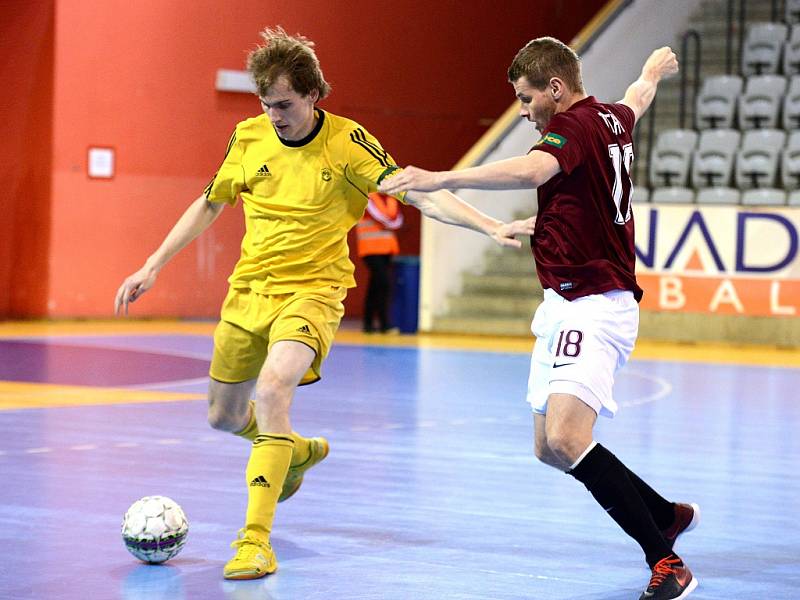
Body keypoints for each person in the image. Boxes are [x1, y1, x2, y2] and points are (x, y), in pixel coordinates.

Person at [114, 27, 535, 581]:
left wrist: (489, 224)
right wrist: (152, 264)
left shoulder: (348, 144)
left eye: (284, 105)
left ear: (314, 95)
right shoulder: (247, 137)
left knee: (272, 388)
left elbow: (420, 192)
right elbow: (209, 203)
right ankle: (295, 450)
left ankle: (254, 543)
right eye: (266, 105)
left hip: (313, 291)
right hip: (249, 291)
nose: (274, 116)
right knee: (222, 417)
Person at [380, 38, 698, 600]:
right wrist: (651, 69)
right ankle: (662, 514)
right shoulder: (612, 117)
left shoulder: (572, 127)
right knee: (548, 448)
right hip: (562, 304)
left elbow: (533, 171)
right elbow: (638, 98)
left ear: (556, 88)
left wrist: (442, 177)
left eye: (527, 100)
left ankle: (665, 559)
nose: (523, 112)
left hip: (594, 304)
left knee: (567, 435)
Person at [356, 192, 403, 333]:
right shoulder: (368, 197)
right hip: (370, 248)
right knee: (383, 283)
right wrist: (390, 222)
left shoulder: (391, 198)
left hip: (386, 249)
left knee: (376, 286)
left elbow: (397, 219)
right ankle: (383, 324)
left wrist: (391, 222)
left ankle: (370, 324)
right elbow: (383, 218)